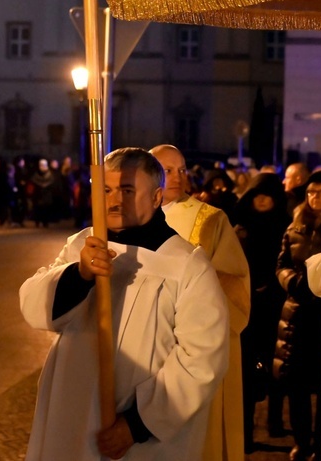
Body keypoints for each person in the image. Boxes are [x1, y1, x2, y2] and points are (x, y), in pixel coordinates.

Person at [20, 147, 229, 460]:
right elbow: (35, 307)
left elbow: (202, 358)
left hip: (140, 436)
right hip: (73, 416)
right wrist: (79, 275)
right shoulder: (85, 244)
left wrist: (137, 424)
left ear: (157, 197)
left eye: (127, 190)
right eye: (106, 189)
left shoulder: (186, 265)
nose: (114, 200)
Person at [149, 144, 250, 461]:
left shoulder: (209, 220)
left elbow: (235, 279)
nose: (177, 177)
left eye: (181, 169)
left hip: (193, 337)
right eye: (167, 170)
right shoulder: (133, 218)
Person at [274, 169, 321, 461]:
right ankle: (301, 441)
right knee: (295, 383)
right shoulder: (296, 225)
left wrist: (319, 283)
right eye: (310, 192)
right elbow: (281, 262)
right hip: (295, 312)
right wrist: (291, 280)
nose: (314, 197)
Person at [232, 172, 291, 451]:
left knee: (276, 366)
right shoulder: (239, 227)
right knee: (245, 371)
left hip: (276, 304)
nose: (263, 200)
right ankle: (245, 433)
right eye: (259, 195)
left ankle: (275, 421)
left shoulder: (285, 225)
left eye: (269, 195)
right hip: (245, 306)